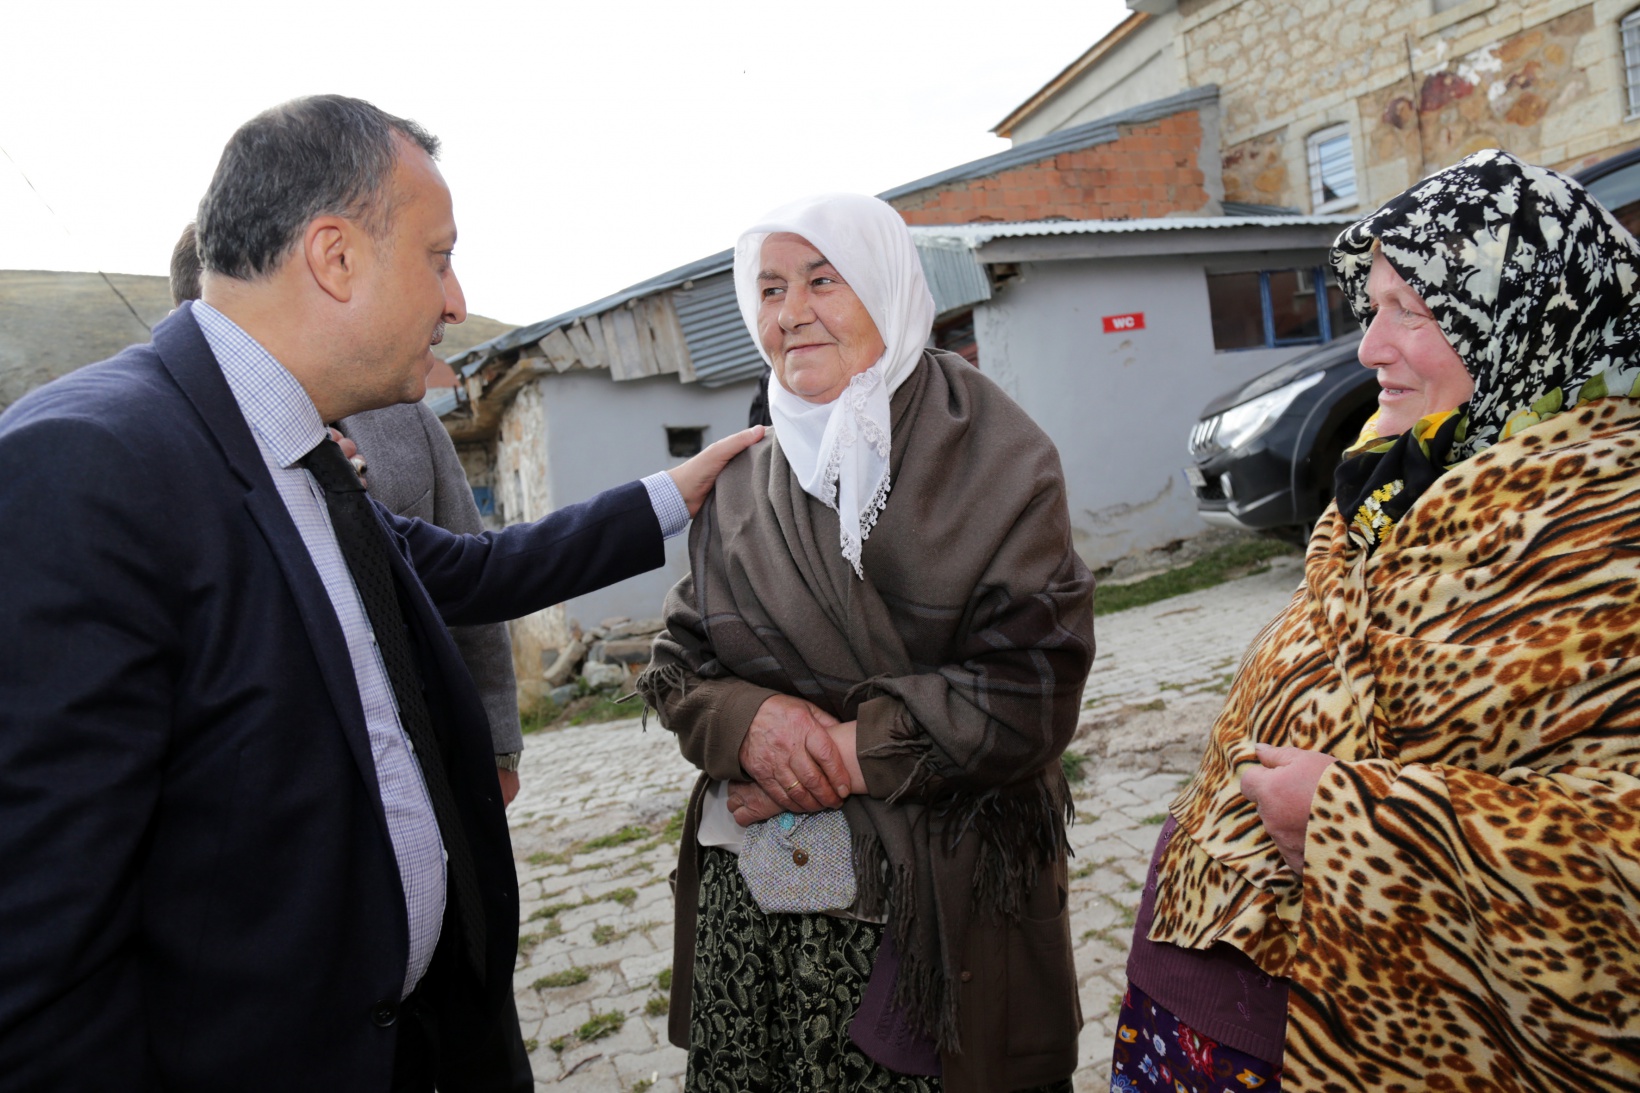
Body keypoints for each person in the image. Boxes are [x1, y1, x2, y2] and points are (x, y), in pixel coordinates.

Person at [0, 95, 760, 1091]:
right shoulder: (90, 463)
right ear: (334, 256)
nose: (456, 299)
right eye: (438, 256)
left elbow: (473, 572)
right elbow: (42, 947)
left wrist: (674, 491)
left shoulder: (297, 452)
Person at [1116, 148, 1640, 1093]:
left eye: (1417, 310)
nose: (1369, 346)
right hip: (1196, 995)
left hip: (1363, 1039)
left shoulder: (1607, 523)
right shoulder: (1392, 478)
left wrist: (1358, 824)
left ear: (1529, 320)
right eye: (1376, 305)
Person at [638, 193, 1095, 1093]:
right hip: (766, 919)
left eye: (821, 280)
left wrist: (848, 751)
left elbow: (1033, 681)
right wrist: (750, 721)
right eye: (769, 288)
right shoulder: (746, 478)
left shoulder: (996, 455)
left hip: (938, 915)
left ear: (886, 289)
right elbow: (682, 659)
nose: (790, 311)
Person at [170, 221, 529, 806]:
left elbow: (474, 582)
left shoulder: (405, 415)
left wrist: (496, 747)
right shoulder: (178, 458)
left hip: (433, 757)